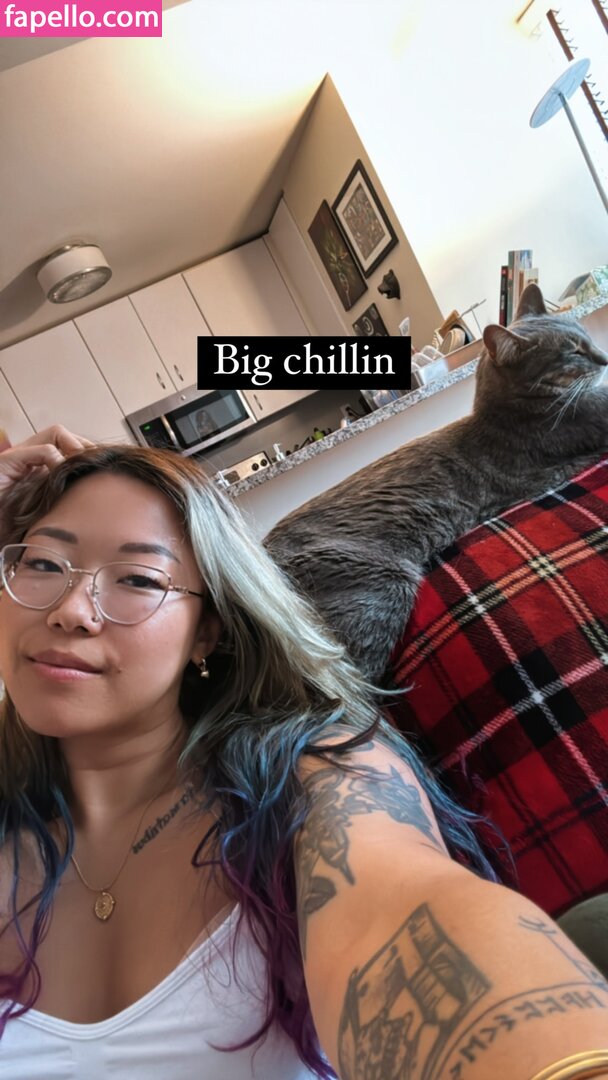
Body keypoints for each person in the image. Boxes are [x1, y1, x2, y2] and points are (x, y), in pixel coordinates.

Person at [0, 425, 606, 1080]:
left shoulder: (317, 777)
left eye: (139, 579)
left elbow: (402, 911)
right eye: (43, 564)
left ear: (207, 632)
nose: (71, 610)